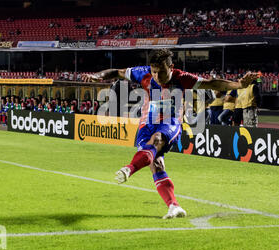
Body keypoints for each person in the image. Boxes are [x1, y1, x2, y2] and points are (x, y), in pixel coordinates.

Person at [82, 48, 257, 219]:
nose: (158, 76)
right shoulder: (143, 74)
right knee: (157, 165)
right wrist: (96, 76)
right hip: (147, 123)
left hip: (170, 122)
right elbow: (117, 72)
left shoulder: (182, 78)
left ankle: (129, 168)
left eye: (162, 72)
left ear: (171, 67)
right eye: (155, 72)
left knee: (157, 140)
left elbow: (212, 83)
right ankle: (174, 206)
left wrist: (239, 84)